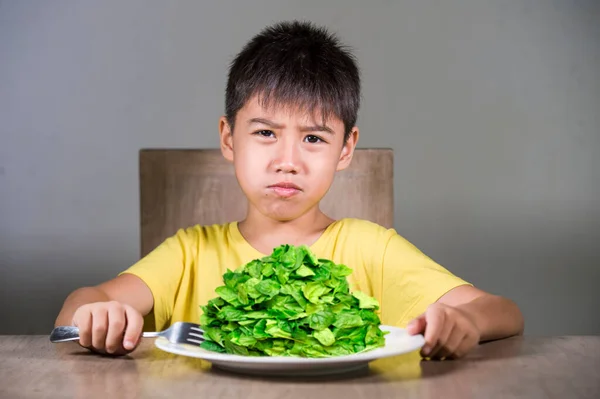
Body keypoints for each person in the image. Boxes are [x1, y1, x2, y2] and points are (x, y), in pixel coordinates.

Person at [55, 21, 524, 359]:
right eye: (264, 133)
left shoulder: (371, 248)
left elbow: (502, 311)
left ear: (346, 149)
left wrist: (467, 322)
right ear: (227, 138)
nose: (288, 161)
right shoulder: (188, 253)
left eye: (314, 138)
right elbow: (80, 305)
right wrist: (99, 317)